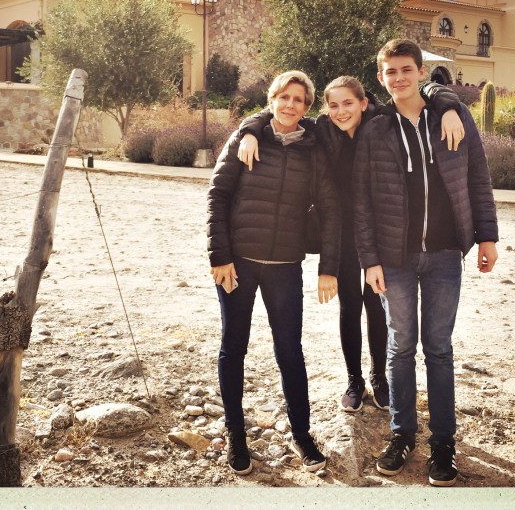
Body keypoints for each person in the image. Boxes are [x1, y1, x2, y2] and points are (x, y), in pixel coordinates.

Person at [236, 76, 464, 415]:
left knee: (377, 304)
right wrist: (249, 130)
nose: (341, 111)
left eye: (347, 104)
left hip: (378, 230)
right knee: (350, 305)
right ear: (326, 108)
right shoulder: (322, 129)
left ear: (363, 103)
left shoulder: (382, 122)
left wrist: (449, 107)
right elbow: (274, 115)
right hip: (340, 230)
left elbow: (429, 89)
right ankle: (354, 379)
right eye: (333, 105)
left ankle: (379, 377)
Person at [353, 39, 499, 487]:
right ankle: (402, 435)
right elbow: (361, 200)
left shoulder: (453, 116)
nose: (399, 78)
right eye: (390, 71)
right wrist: (369, 260)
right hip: (393, 258)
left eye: (406, 69)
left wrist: (487, 236)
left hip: (444, 254)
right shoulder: (375, 128)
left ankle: (443, 443)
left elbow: (477, 176)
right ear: (381, 78)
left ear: (420, 72)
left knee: (438, 348)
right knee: (400, 348)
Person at [207, 70, 341, 476]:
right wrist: (219, 256)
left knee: (290, 351)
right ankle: (236, 434)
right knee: (234, 347)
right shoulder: (246, 138)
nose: (290, 105)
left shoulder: (313, 149)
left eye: (299, 99)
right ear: (271, 100)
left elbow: (331, 209)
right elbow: (218, 196)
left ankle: (301, 434)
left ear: (307, 107)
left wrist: (328, 267)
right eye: (284, 97)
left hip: (285, 266)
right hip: (239, 263)